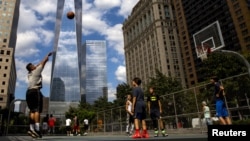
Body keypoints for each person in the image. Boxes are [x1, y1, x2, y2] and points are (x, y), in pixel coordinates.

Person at [26, 52, 53, 139]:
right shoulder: (36, 71)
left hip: (28, 92)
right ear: (32, 68)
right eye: (33, 65)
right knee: (37, 110)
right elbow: (43, 63)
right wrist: (47, 56)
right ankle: (37, 129)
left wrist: (36, 65)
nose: (35, 65)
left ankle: (31, 129)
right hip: (35, 91)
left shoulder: (29, 74)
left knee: (32, 111)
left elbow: (37, 65)